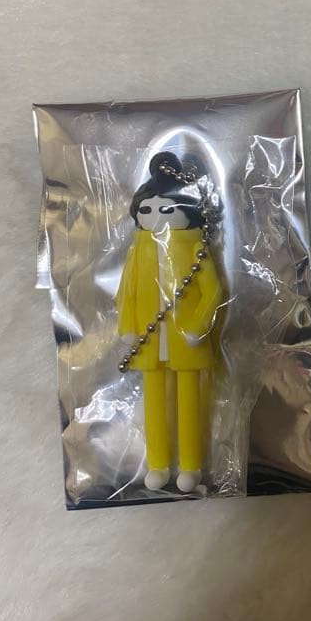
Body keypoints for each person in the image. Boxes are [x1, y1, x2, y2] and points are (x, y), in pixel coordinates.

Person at [116, 152, 224, 492]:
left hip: (184, 337)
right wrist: (127, 326)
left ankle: (190, 467)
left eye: (166, 210)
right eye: (146, 210)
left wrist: (198, 325)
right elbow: (126, 291)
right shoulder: (138, 249)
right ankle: (158, 465)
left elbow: (213, 291)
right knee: (154, 404)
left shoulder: (195, 249)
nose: (155, 218)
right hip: (149, 338)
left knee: (189, 402)